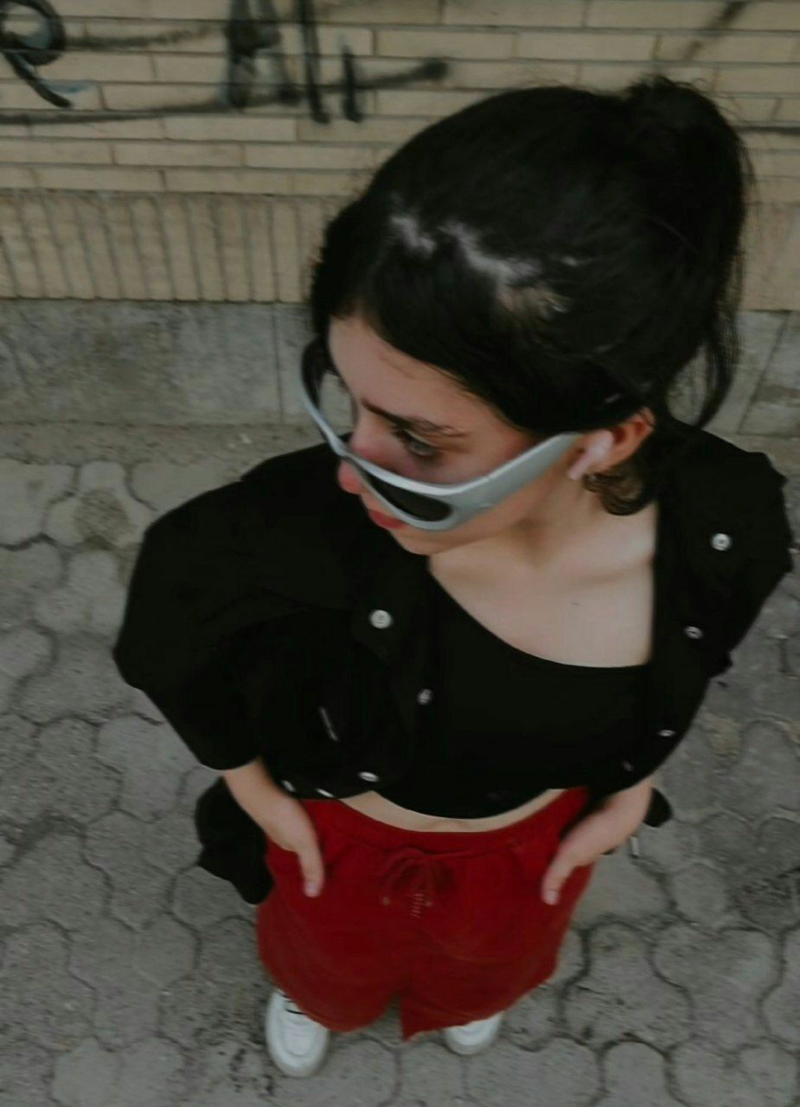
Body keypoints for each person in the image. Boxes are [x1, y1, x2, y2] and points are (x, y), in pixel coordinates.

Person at [112, 74, 794, 1079]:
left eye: (420, 442)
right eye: (346, 400)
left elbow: (701, 657)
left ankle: (464, 997)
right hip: (340, 841)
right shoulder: (294, 529)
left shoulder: (725, 530)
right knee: (328, 970)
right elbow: (168, 628)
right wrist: (256, 794)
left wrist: (628, 789)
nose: (352, 471)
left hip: (529, 849)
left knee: (488, 971)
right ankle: (316, 995)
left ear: (604, 440)